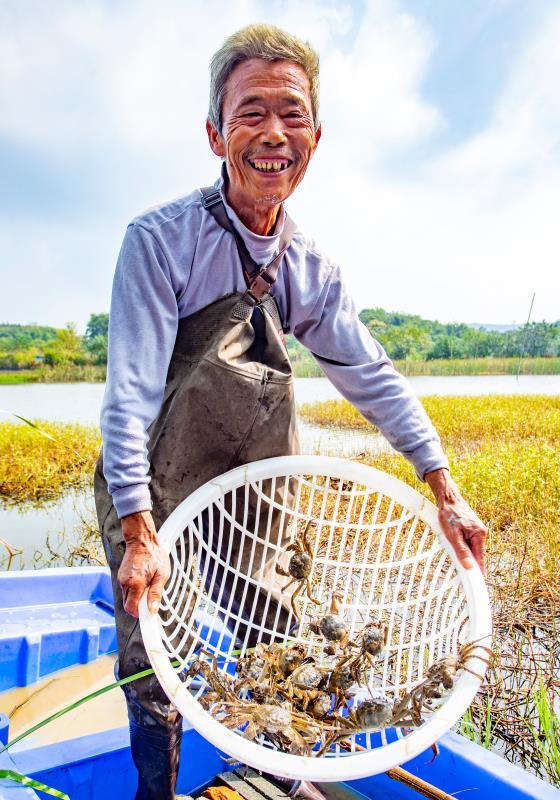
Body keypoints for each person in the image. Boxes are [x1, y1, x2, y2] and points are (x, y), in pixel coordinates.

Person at [94, 23, 487, 800]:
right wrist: (139, 530)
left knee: (273, 638)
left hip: (255, 487)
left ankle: (274, 781)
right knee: (152, 659)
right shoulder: (159, 242)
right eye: (250, 113)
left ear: (315, 136)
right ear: (215, 133)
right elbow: (130, 396)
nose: (274, 134)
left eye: (293, 114)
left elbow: (371, 374)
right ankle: (158, 791)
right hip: (155, 489)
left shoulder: (310, 267)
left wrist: (444, 485)